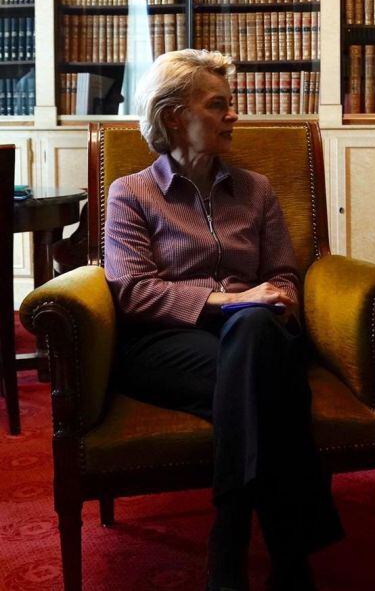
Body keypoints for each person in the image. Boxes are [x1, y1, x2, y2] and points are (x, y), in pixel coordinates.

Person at [104, 49, 342, 591]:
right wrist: (228, 301)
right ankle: (290, 554)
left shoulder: (255, 190)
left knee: (257, 334)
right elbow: (134, 293)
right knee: (268, 378)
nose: (234, 115)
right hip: (166, 343)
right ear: (173, 116)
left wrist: (274, 297)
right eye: (218, 105)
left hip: (254, 333)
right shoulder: (132, 194)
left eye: (229, 104)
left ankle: (229, 533)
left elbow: (284, 273)